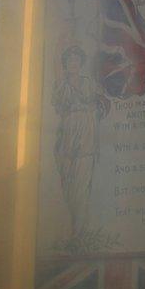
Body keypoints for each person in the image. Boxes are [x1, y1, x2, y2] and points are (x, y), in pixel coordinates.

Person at [52, 45, 108, 239]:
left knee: (82, 185)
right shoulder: (60, 85)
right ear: (65, 64)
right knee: (67, 183)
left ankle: (79, 231)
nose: (73, 63)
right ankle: (74, 223)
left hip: (86, 134)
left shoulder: (88, 83)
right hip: (67, 134)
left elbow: (98, 103)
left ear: (81, 63)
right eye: (69, 60)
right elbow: (58, 106)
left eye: (76, 60)